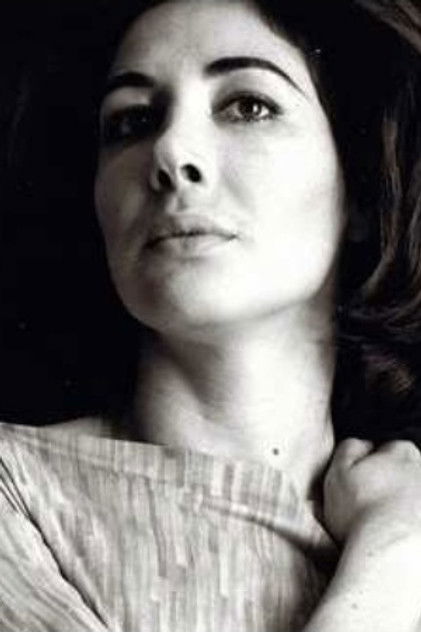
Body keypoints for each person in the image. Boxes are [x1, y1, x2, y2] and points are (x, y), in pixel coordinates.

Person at [1, 0, 421, 630]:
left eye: (248, 106)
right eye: (132, 121)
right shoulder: (14, 491)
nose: (170, 152)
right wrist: (397, 554)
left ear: (360, 191)